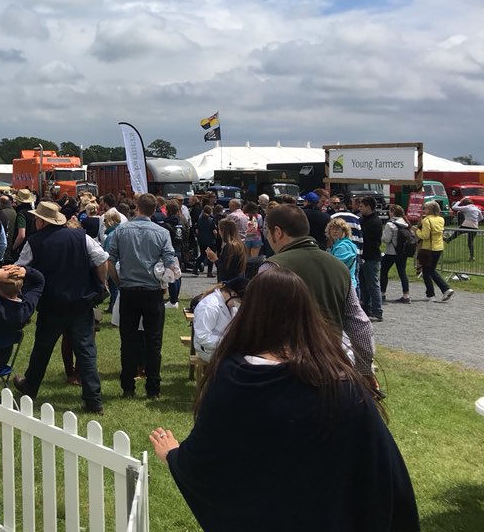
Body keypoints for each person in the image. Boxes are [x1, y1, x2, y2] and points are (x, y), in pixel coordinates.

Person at [149, 265, 419, 532]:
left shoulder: (236, 379)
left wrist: (174, 456)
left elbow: (207, 462)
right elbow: (387, 478)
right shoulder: (343, 385)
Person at [263, 203, 377, 384]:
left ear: (278, 232)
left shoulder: (271, 267)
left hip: (284, 370)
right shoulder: (339, 267)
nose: (268, 238)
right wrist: (364, 371)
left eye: (267, 233)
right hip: (330, 368)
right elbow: (360, 325)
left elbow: (260, 323)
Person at [14, 201, 109, 414]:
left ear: (41, 221)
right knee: (85, 352)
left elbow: (20, 268)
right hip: (80, 303)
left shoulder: (34, 242)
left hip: (51, 304)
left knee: (42, 349)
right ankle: (93, 400)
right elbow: (102, 259)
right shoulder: (80, 237)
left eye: (36, 218)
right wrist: (101, 283)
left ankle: (30, 389)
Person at [104, 192, 179, 400]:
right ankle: (153, 387)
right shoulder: (161, 232)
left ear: (137, 207)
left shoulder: (121, 231)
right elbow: (171, 262)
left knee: (127, 341)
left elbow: (109, 260)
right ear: (155, 210)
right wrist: (165, 282)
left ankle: (128, 386)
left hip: (129, 291)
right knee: (154, 341)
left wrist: (118, 283)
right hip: (152, 292)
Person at [191, 276, 246, 362]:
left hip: (224, 347)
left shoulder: (228, 304)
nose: (237, 305)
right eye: (239, 301)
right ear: (233, 294)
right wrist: (230, 342)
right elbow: (203, 338)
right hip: (209, 351)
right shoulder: (209, 306)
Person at [415, 201, 453, 302]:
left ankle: (434, 293)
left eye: (425, 208)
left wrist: (417, 231)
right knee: (431, 270)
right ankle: (441, 290)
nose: (424, 210)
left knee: (427, 271)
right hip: (439, 247)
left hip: (428, 248)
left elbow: (425, 235)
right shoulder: (441, 219)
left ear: (430, 210)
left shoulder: (427, 220)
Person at [358, 196, 384, 322]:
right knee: (363, 285)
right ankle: (365, 309)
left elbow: (368, 238)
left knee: (373, 285)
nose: (359, 208)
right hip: (362, 257)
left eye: (362, 206)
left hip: (371, 257)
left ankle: (377, 311)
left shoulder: (375, 222)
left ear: (368, 207)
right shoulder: (362, 219)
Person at [381, 205, 413, 304]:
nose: (388, 213)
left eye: (389, 211)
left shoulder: (390, 224)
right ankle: (406, 295)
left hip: (391, 252)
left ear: (393, 212)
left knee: (384, 271)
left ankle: (382, 293)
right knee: (402, 272)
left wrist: (381, 235)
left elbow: (386, 240)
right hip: (402, 252)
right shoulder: (405, 223)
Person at [204, 218, 245, 283]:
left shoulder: (230, 247)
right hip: (237, 280)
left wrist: (215, 259)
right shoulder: (239, 244)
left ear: (223, 231)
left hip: (230, 283)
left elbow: (226, 268)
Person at [327, 218, 361, 297]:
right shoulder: (339, 244)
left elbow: (335, 268)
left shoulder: (343, 246)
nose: (334, 231)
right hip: (346, 285)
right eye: (332, 229)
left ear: (344, 231)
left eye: (338, 229)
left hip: (344, 286)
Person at [195, 205, 217, 277]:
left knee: (202, 255)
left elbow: (197, 231)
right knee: (210, 256)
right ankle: (209, 272)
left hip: (202, 240)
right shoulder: (211, 220)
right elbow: (214, 231)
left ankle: (195, 268)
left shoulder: (199, 219)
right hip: (210, 241)